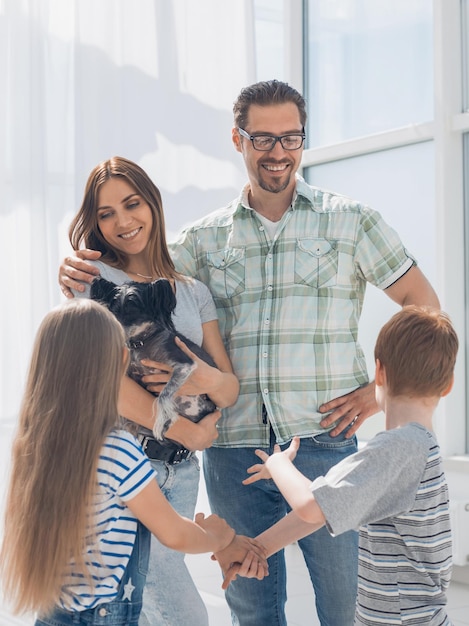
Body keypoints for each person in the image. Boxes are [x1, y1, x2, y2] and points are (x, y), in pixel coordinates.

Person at [58, 80, 440, 626]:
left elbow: (422, 307)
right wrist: (73, 271)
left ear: (303, 141)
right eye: (262, 138)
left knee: (345, 606)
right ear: (237, 140)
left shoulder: (351, 220)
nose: (278, 151)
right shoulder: (201, 240)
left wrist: (377, 395)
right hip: (233, 454)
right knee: (252, 607)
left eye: (291, 137)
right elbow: (137, 270)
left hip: (324, 444)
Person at [64, 156, 244, 626]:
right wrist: (184, 428)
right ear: (96, 223)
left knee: (145, 604)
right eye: (106, 213)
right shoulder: (93, 285)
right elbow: (100, 382)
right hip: (122, 464)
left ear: (153, 203)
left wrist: (198, 377)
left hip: (181, 473)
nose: (123, 221)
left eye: (131, 203)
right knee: (168, 607)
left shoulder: (191, 291)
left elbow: (228, 390)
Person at [0, 298, 241, 626]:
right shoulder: (117, 451)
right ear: (123, 360)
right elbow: (173, 534)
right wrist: (219, 537)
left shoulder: (33, 444)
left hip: (52, 613)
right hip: (104, 616)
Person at [222, 305, 457, 626]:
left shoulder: (397, 448)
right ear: (448, 385)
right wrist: (261, 547)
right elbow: (329, 508)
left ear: (380, 372)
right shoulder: (420, 447)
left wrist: (279, 464)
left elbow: (311, 505)